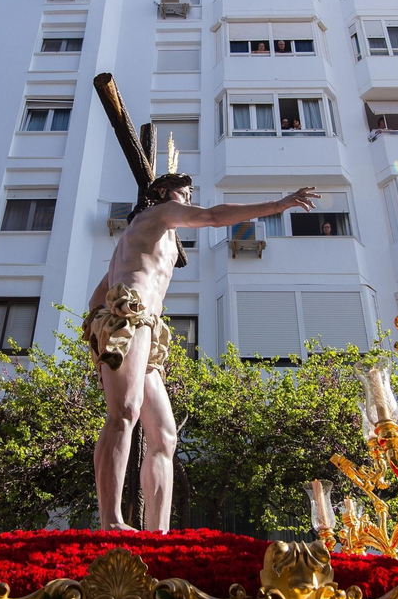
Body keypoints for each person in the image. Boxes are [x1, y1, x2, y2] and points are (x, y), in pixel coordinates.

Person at [87, 178, 319, 530]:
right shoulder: (160, 213)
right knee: (124, 412)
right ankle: (110, 520)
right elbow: (213, 217)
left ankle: (158, 531)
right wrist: (277, 205)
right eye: (184, 194)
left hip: (144, 326)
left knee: (164, 435)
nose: (189, 201)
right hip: (131, 318)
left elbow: (96, 297)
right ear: (164, 194)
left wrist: (99, 327)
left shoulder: (142, 238)